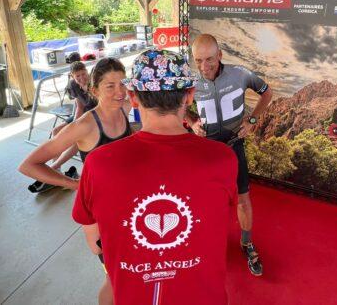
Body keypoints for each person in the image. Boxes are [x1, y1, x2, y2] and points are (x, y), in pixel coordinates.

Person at [72, 49, 237, 305]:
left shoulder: (98, 163)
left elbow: (96, 244)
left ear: (133, 98)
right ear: (190, 95)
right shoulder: (222, 158)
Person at [19, 57, 131, 305]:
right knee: (114, 279)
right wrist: (75, 185)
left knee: (130, 273)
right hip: (101, 215)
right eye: (110, 86)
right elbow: (28, 165)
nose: (120, 91)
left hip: (127, 209)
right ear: (94, 90)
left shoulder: (125, 109)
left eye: (122, 83)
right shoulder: (85, 125)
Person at [186, 34, 273, 277]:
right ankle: (207, 241)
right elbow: (178, 105)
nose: (204, 66)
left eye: (210, 59)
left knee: (243, 198)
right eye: (198, 60)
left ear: (220, 55)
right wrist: (191, 122)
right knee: (204, 201)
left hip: (234, 146)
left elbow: (267, 93)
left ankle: (247, 243)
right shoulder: (191, 80)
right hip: (207, 151)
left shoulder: (240, 74)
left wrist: (252, 121)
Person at [27, 61, 98, 192]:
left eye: (83, 74)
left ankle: (53, 167)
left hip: (94, 117)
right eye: (78, 76)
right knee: (56, 131)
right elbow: (79, 106)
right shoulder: (73, 85)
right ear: (72, 76)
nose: (82, 78)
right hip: (82, 114)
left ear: (87, 71)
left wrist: (77, 129)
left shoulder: (94, 84)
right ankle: (57, 172)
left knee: (78, 139)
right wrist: (75, 124)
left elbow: (99, 106)